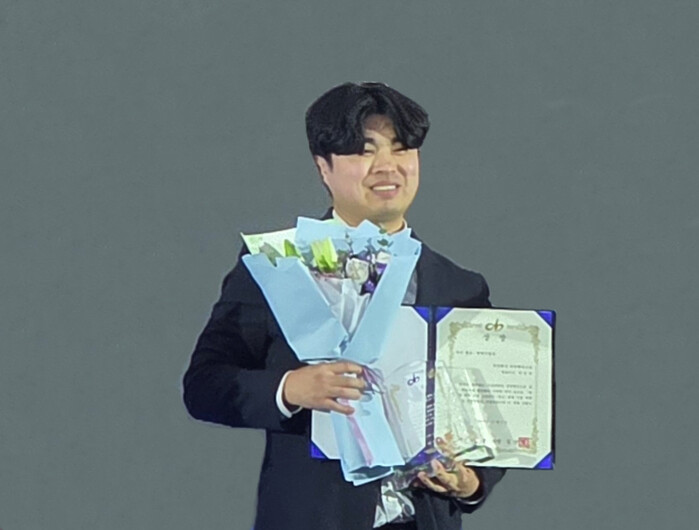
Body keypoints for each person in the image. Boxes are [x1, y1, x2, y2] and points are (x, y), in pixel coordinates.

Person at [183, 82, 505, 530]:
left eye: (401, 148)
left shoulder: (460, 287)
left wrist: (469, 481)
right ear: (324, 167)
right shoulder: (276, 264)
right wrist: (290, 389)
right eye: (363, 150)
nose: (387, 166)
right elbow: (204, 386)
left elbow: (492, 417)